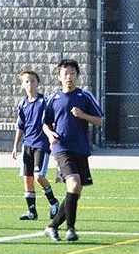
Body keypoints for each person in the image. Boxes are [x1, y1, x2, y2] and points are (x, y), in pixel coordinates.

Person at [42, 59, 103, 242]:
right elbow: (45, 123)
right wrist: (50, 135)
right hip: (62, 148)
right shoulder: (53, 98)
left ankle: (52, 226)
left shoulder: (85, 96)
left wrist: (83, 115)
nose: (69, 77)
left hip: (81, 149)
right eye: (65, 73)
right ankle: (70, 229)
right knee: (74, 183)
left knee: (75, 191)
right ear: (59, 77)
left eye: (73, 74)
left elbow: (100, 120)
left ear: (77, 76)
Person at [11, 70, 60, 221]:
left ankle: (54, 202)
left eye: (32, 81)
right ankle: (32, 212)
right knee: (28, 178)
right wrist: (15, 146)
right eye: (26, 81)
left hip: (41, 145)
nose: (29, 84)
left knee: (39, 176)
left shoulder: (44, 102)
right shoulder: (22, 104)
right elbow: (20, 126)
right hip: (27, 145)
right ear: (22, 84)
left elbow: (52, 121)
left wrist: (53, 138)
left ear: (37, 83)